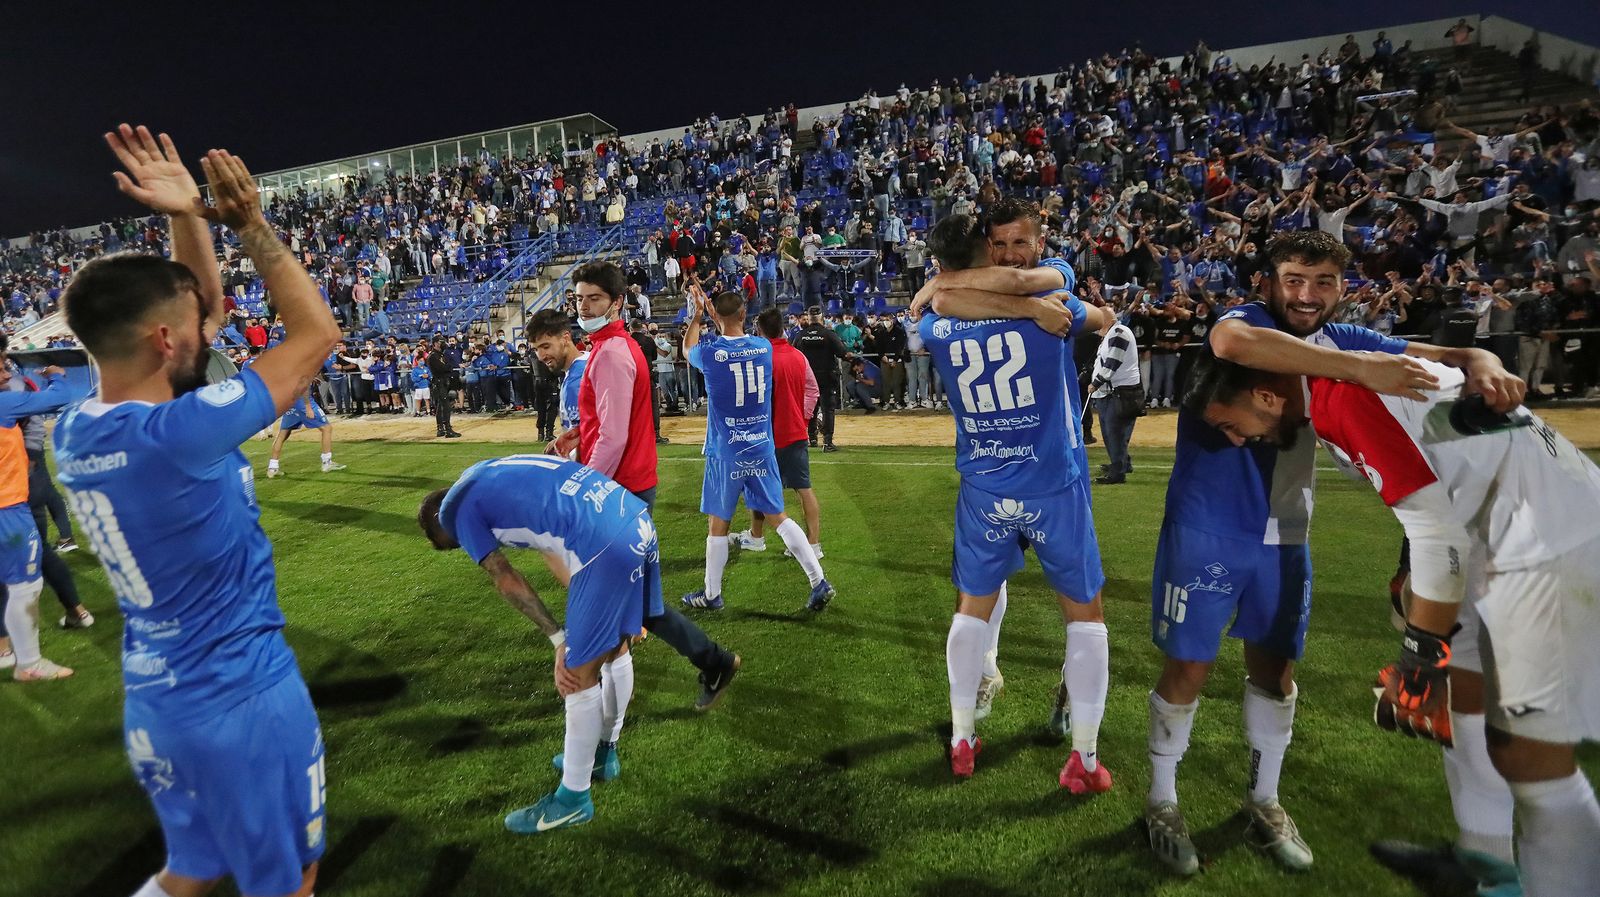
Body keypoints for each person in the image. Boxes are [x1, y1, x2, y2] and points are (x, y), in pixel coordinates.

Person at [1141, 229, 1522, 877]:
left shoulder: (1342, 338)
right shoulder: (1247, 322)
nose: (1307, 295)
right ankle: (1162, 800)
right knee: (1189, 669)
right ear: (1268, 282)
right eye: (1293, 279)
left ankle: (1264, 800)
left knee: (1276, 673)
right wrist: (1359, 368)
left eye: (1323, 282)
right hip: (1206, 531)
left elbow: (1441, 354)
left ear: (1343, 287)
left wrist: (1480, 357)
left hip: (1287, 533)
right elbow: (1230, 343)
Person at [1187, 352, 1598, 897]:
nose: (1238, 439)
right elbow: (1442, 470)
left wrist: (1419, 658)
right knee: (1465, 701)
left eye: (1230, 425)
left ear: (1265, 396)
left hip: (1551, 545)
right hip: (1504, 535)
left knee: (1528, 754)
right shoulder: (1345, 373)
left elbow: (1438, 537)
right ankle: (1485, 863)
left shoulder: (1342, 397)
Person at [53, 127, 343, 897]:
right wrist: (248, 224)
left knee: (191, 871)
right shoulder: (179, 435)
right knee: (293, 878)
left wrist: (185, 215)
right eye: (189, 328)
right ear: (162, 339)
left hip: (160, 700)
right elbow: (317, 336)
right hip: (242, 701)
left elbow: (196, 317)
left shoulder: (78, 430)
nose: (209, 327)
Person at [917, 212, 1112, 788]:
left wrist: (941, 284)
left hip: (985, 487)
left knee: (971, 606)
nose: (1009, 253)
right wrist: (1041, 310)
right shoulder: (1055, 303)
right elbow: (1099, 317)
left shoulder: (936, 322)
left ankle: (962, 737)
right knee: (1085, 615)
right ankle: (1085, 759)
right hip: (1053, 483)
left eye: (1018, 242)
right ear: (985, 249)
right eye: (998, 244)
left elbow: (950, 301)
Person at [418, 455, 659, 835]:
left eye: (454, 545)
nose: (464, 547)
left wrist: (560, 640)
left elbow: (505, 578)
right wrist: (597, 606)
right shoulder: (486, 476)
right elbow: (551, 546)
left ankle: (573, 800)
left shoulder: (456, 513)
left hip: (604, 542)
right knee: (615, 647)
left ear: (441, 527)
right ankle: (604, 754)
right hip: (633, 518)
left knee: (576, 676)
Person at [553, 267, 742, 709]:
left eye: (594, 298)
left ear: (617, 302)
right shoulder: (611, 347)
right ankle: (712, 661)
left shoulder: (611, 353)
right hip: (629, 487)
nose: (584, 306)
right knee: (639, 603)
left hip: (620, 493)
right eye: (579, 298)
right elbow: (612, 422)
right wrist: (578, 435)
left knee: (605, 599)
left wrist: (584, 487)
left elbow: (615, 436)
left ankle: (597, 707)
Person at [680, 283, 836, 613]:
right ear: (744, 314)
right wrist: (718, 316)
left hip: (726, 450)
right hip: (761, 447)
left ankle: (712, 593)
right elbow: (734, 336)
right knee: (779, 516)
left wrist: (698, 316)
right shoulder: (763, 348)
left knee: (718, 523)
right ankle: (818, 580)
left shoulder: (709, 353)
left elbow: (688, 348)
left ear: (718, 317)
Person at [0, 363, 76, 678]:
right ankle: (29, 665)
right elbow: (59, 397)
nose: (6, 375)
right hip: (7, 511)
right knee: (25, 586)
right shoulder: (4, 403)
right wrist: (56, 375)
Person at [734, 307, 823, 559]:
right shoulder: (798, 356)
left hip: (766, 434)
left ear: (760, 331)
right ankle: (813, 544)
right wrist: (802, 418)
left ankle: (756, 537)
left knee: (757, 485)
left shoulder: (760, 358)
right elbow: (812, 390)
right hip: (795, 431)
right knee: (803, 488)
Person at [1089, 311, 1143, 484]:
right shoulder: (1112, 333)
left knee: (1114, 433)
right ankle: (1121, 464)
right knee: (1112, 432)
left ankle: (1117, 473)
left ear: (1106, 320)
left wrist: (1096, 382)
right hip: (1113, 392)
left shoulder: (1119, 333)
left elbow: (1113, 362)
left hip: (1120, 393)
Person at [791, 306, 852, 452]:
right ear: (821, 317)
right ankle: (827, 442)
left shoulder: (800, 335)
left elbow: (793, 354)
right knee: (827, 409)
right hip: (827, 377)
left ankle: (812, 438)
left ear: (809, 318)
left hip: (807, 378)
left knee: (810, 408)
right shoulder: (829, 334)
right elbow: (842, 353)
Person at [264, 384, 345, 477]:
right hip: (303, 401)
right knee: (326, 428)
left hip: (289, 402)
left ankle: (272, 468)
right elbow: (303, 385)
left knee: (283, 434)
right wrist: (308, 407)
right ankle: (327, 462)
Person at [428, 336, 461, 438]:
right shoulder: (433, 356)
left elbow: (448, 365)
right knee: (445, 406)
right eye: (440, 341)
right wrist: (448, 367)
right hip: (438, 383)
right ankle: (447, 429)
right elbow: (443, 368)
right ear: (435, 343)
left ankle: (441, 429)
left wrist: (448, 367)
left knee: (440, 406)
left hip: (443, 382)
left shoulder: (441, 354)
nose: (442, 343)